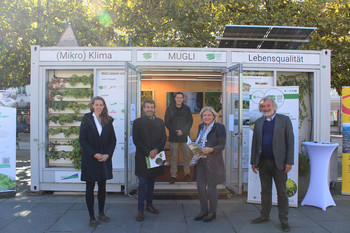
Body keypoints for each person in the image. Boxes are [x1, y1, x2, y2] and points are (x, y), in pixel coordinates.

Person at [250, 97, 294, 232]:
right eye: (263, 107)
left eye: (268, 106)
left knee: (282, 192)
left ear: (273, 106)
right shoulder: (258, 122)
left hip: (280, 163)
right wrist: (253, 161)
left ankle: (284, 219)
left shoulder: (284, 120)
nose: (266, 108)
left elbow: (290, 141)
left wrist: (289, 161)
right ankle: (264, 215)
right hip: (263, 162)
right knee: (265, 191)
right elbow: (255, 143)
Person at [79, 96, 116, 227]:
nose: (99, 107)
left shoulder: (108, 120)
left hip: (104, 159)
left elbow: (113, 140)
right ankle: (91, 216)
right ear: (92, 106)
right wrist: (94, 154)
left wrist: (107, 155)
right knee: (90, 188)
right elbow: (82, 140)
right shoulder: (86, 120)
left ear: (104, 106)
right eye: (97, 105)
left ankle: (101, 212)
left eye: (101, 105)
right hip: (91, 159)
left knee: (102, 187)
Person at [133, 99, 166, 222]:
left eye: (152, 107)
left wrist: (156, 150)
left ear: (155, 109)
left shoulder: (160, 122)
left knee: (152, 183)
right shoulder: (137, 122)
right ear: (143, 109)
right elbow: (136, 140)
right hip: (143, 158)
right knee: (142, 184)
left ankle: (149, 205)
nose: (149, 109)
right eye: (147, 107)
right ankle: (140, 210)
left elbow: (163, 138)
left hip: (155, 157)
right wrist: (148, 152)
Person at [193, 106, 226, 222]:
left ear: (213, 116)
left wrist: (211, 150)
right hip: (201, 161)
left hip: (213, 162)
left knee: (211, 188)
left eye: (209, 115)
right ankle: (203, 210)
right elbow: (199, 141)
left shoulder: (219, 127)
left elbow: (222, 145)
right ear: (202, 117)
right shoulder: (200, 127)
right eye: (204, 115)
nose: (206, 117)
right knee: (200, 187)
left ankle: (212, 212)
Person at [165, 92, 193, 184]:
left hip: (185, 137)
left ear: (183, 99)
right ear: (175, 98)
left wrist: (183, 131)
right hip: (173, 137)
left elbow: (190, 122)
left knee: (187, 157)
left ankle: (187, 174)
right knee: (173, 157)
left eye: (181, 98)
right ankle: (173, 176)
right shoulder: (169, 109)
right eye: (178, 98)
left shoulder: (187, 109)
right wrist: (175, 131)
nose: (179, 99)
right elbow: (167, 122)